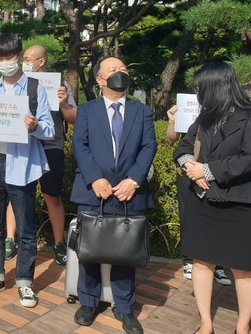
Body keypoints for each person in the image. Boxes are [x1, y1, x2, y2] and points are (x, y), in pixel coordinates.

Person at [174, 62, 251, 334]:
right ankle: (206, 322)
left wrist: (206, 169)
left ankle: (242, 326)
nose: (197, 94)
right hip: (203, 202)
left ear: (215, 86)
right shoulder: (205, 117)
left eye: (200, 88)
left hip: (242, 204)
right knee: (202, 262)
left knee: (242, 268)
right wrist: (188, 166)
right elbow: (183, 146)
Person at [0, 34, 55, 308]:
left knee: (26, 229)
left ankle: (25, 282)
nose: (5, 63)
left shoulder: (33, 88)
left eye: (9, 58)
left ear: (19, 57)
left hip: (22, 166)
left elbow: (49, 129)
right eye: (0, 59)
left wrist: (34, 126)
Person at [71, 56, 156, 334]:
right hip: (93, 190)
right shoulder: (87, 110)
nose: (120, 72)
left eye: (123, 68)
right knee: (90, 249)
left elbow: (148, 147)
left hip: (127, 192)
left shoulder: (142, 111)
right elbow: (79, 145)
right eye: (113, 69)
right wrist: (95, 178)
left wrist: (134, 180)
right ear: (99, 80)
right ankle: (88, 302)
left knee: (124, 251)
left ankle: (125, 307)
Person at [4, 44, 76, 265]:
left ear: (41, 61)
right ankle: (9, 239)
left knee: (52, 196)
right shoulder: (16, 82)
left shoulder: (61, 85)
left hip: (50, 146)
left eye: (27, 58)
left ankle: (58, 242)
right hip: (21, 145)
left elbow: (74, 118)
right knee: (15, 191)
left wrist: (63, 103)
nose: (23, 62)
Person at [167, 105, 232, 286]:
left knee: (219, 222)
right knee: (189, 218)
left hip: (219, 176)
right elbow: (176, 143)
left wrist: (208, 172)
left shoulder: (236, 114)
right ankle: (190, 261)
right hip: (190, 175)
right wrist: (173, 121)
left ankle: (218, 264)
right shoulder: (190, 110)